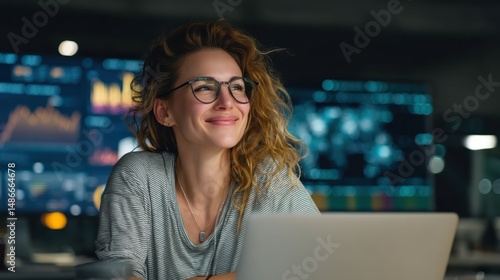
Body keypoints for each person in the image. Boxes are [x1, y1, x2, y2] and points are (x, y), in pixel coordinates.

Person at [95, 20, 320, 280]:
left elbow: (323, 264)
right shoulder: (138, 176)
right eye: (204, 87)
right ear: (165, 111)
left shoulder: (269, 178)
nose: (227, 102)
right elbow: (119, 272)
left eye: (236, 87)